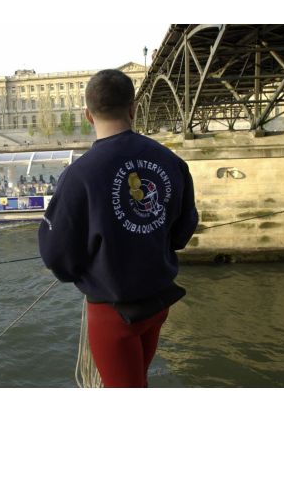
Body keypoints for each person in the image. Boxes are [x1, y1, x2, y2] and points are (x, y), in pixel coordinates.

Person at [38, 69, 198, 387]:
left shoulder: (79, 175)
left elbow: (57, 254)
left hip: (112, 312)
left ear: (87, 115)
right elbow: (183, 229)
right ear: (133, 108)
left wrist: (83, 272)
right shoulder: (171, 160)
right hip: (158, 301)